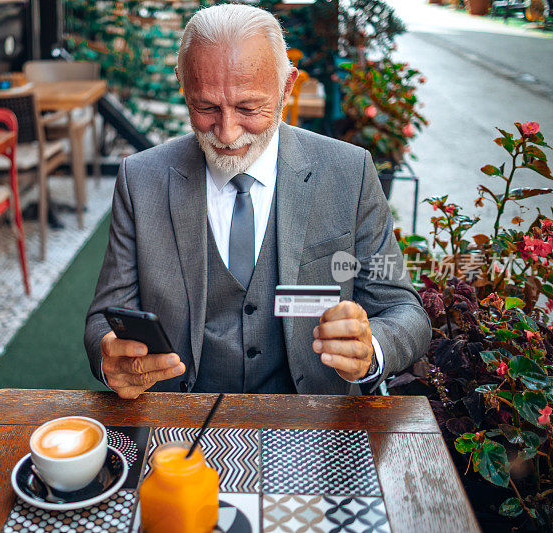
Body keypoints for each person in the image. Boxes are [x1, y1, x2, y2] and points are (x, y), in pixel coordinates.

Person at [84, 4, 431, 399]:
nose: (228, 132)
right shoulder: (140, 179)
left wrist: (372, 350)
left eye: (249, 108)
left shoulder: (348, 172)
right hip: (178, 422)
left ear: (287, 87)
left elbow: (407, 313)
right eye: (206, 107)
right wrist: (109, 357)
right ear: (182, 83)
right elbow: (103, 318)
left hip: (312, 420)